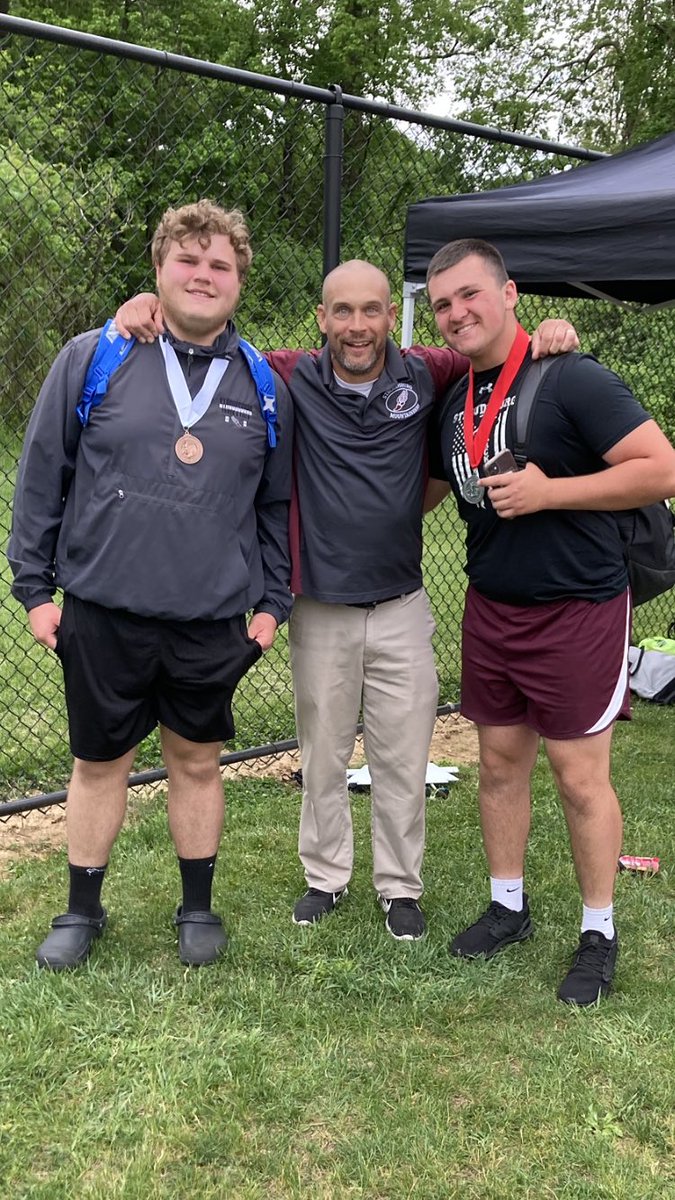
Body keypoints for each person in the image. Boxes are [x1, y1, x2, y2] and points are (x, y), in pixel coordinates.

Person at [115, 263, 577, 941]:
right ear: (320, 317)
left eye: (369, 311)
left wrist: (548, 331)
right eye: (341, 312)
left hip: (399, 603)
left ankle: (400, 888)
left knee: (401, 756)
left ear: (391, 315)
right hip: (320, 606)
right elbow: (208, 337)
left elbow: (495, 348)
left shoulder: (425, 372)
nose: (355, 327)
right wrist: (143, 305)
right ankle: (324, 878)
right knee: (323, 753)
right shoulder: (286, 373)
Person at [8, 200, 293, 971]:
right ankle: (81, 909)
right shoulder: (95, 355)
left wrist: (271, 607)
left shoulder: (261, 381)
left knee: (196, 762)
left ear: (240, 280)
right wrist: (34, 590)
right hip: (103, 607)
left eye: (220, 265)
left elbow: (274, 507)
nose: (204, 275)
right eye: (188, 260)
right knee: (97, 765)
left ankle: (196, 907)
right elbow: (42, 475)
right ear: (158, 270)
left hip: (209, 619)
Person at [425, 237, 675, 1003]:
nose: (457, 312)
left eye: (471, 294)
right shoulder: (452, 401)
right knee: (499, 764)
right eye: (441, 303)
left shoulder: (573, 377)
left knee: (577, 777)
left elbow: (660, 467)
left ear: (509, 295)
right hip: (491, 607)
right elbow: (430, 495)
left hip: (578, 608)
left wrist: (551, 494)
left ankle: (597, 931)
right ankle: (508, 908)